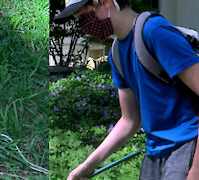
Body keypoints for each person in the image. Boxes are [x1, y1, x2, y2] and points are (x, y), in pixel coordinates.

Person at [54, 0, 199, 179]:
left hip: (187, 146)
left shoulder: (154, 31)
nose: (84, 27)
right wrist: (86, 166)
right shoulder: (116, 53)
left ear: (105, 2)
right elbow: (129, 120)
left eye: (85, 16)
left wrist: (196, 170)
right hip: (155, 152)